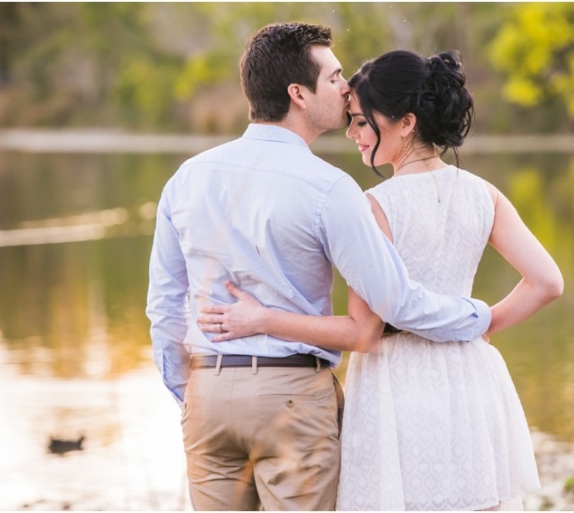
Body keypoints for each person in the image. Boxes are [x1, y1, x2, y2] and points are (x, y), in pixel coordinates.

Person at [146, 23, 494, 511]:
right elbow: (395, 301)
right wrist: (476, 316)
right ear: (298, 94)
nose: (346, 87)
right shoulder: (328, 189)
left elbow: (164, 306)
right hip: (291, 396)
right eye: (333, 78)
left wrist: (189, 393)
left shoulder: (187, 178)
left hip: (208, 394)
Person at [198, 49, 564, 510]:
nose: (351, 132)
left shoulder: (375, 206)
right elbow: (547, 282)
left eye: (361, 121)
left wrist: (262, 319)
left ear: (405, 123)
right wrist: (484, 324)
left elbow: (362, 332)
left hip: (400, 385)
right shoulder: (484, 196)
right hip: (473, 379)